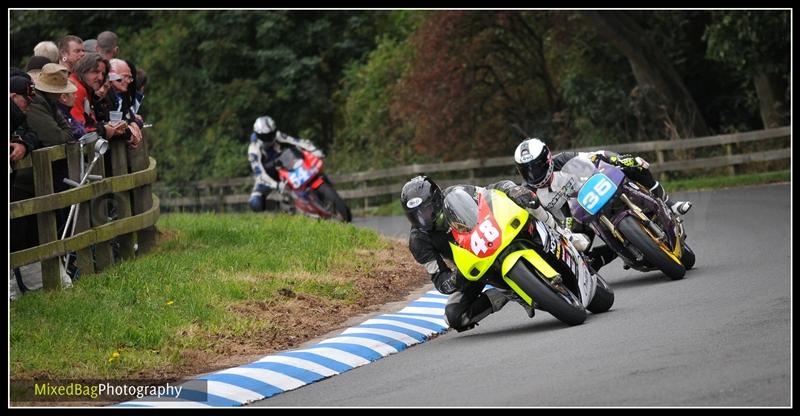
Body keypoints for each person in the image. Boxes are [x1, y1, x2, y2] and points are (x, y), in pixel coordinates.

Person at [400, 175, 589, 332]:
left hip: (495, 232)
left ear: (437, 200)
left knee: (527, 199)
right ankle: (505, 293)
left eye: (426, 211)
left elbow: (491, 191)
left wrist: (512, 189)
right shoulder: (419, 241)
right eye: (415, 216)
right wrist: (453, 280)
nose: (423, 219)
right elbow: (439, 278)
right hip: (473, 266)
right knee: (455, 316)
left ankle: (564, 234)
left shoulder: (457, 194)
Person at [513, 137, 693, 271]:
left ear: (548, 159)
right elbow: (541, 221)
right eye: (526, 170)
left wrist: (618, 160)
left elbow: (595, 156)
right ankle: (615, 254)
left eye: (536, 167)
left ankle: (669, 203)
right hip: (572, 219)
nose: (533, 174)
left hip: (594, 191)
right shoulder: (529, 193)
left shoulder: (564, 159)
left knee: (635, 166)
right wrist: (563, 230)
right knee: (581, 256)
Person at [247, 115, 324, 212]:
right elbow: (260, 175)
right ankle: (282, 207)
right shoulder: (253, 150)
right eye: (266, 136)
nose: (270, 138)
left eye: (272, 134)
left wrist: (314, 150)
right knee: (255, 203)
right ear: (258, 135)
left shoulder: (277, 135)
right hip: (267, 176)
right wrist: (276, 185)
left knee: (309, 165)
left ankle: (319, 189)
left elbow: (297, 142)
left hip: (283, 165)